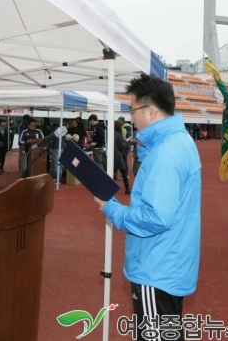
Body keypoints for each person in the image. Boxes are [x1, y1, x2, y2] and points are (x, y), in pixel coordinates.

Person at [94, 73, 201, 341]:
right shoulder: (177, 142)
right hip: (168, 260)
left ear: (151, 112)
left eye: (133, 110)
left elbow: (156, 217)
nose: (131, 118)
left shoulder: (167, 153)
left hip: (157, 266)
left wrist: (112, 209)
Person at [113, 120, 131, 194]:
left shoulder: (111, 133)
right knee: (124, 172)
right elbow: (121, 146)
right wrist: (125, 143)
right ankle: (127, 188)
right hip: (117, 156)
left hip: (112, 155)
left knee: (112, 171)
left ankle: (111, 187)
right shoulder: (119, 135)